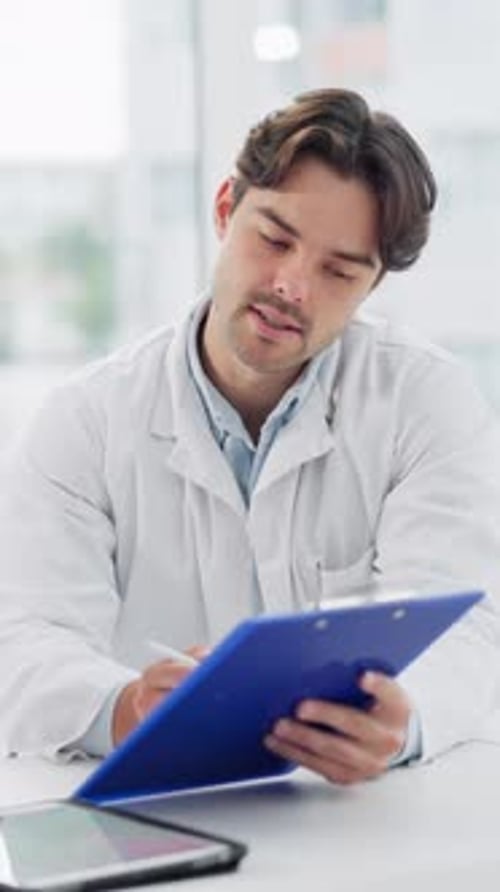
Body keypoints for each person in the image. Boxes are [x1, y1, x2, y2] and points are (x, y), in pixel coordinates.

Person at [1, 88, 500, 786]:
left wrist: (404, 719)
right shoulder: (83, 420)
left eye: (338, 270)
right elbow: (23, 643)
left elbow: (467, 630)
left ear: (372, 284)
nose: (292, 285)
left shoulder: (425, 402)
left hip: (361, 822)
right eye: (275, 239)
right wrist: (123, 708)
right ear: (225, 208)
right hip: (158, 808)